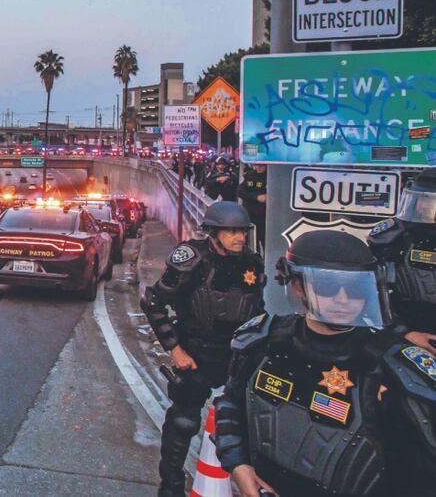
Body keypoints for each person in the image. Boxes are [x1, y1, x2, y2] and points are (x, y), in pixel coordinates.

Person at [214, 230, 436, 497]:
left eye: (354, 288)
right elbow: (230, 404)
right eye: (329, 286)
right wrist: (237, 463)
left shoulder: (392, 368)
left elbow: (422, 472)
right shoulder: (262, 342)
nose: (343, 298)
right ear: (298, 286)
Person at [140, 200, 265, 497]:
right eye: (231, 232)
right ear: (213, 233)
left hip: (236, 356)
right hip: (196, 354)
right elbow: (154, 301)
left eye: (242, 232)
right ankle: (170, 486)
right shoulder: (192, 259)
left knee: (244, 425)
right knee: (183, 423)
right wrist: (175, 349)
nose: (239, 238)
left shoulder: (252, 262)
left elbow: (257, 310)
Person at [368, 166, 436, 348]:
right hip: (403, 336)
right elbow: (369, 294)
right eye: (422, 199)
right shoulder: (391, 239)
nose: (424, 206)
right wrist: (402, 332)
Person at [236, 163, 266, 250]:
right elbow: (240, 191)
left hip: (266, 216)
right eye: (257, 165)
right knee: (251, 243)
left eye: (261, 165)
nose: (259, 167)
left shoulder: (271, 177)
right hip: (251, 214)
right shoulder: (250, 176)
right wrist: (256, 197)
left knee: (266, 242)